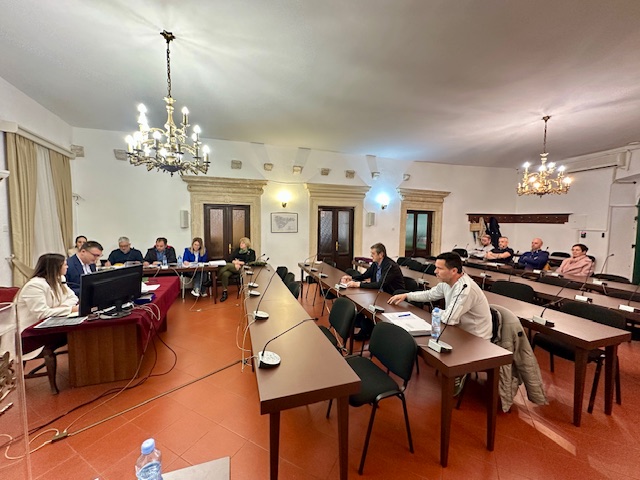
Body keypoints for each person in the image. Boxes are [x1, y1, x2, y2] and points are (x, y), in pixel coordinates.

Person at [388, 252, 492, 340]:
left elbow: (449, 319)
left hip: (476, 339)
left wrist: (436, 311)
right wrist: (407, 295)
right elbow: (430, 294)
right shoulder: (447, 282)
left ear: (454, 271)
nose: (435, 271)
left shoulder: (465, 288)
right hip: (457, 331)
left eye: (439, 268)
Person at [16, 253, 78, 343]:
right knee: (74, 338)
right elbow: (42, 313)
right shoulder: (34, 285)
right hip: (31, 331)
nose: (67, 267)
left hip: (53, 323)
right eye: (65, 265)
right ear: (55, 267)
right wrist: (71, 309)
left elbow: (73, 297)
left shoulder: (60, 279)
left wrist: (63, 307)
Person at [340, 243, 405, 294]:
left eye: (373, 253)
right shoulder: (375, 263)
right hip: (377, 292)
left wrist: (358, 284)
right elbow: (365, 275)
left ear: (381, 254)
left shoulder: (390, 266)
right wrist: (351, 277)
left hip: (391, 294)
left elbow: (380, 284)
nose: (371, 256)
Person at [218, 237, 256, 302]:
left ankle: (217, 277)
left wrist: (239, 263)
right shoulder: (237, 250)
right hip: (234, 267)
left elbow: (251, 262)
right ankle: (225, 292)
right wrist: (235, 263)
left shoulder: (251, 252)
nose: (241, 244)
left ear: (246, 244)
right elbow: (230, 258)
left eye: (243, 243)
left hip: (243, 268)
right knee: (225, 274)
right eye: (240, 243)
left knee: (227, 265)